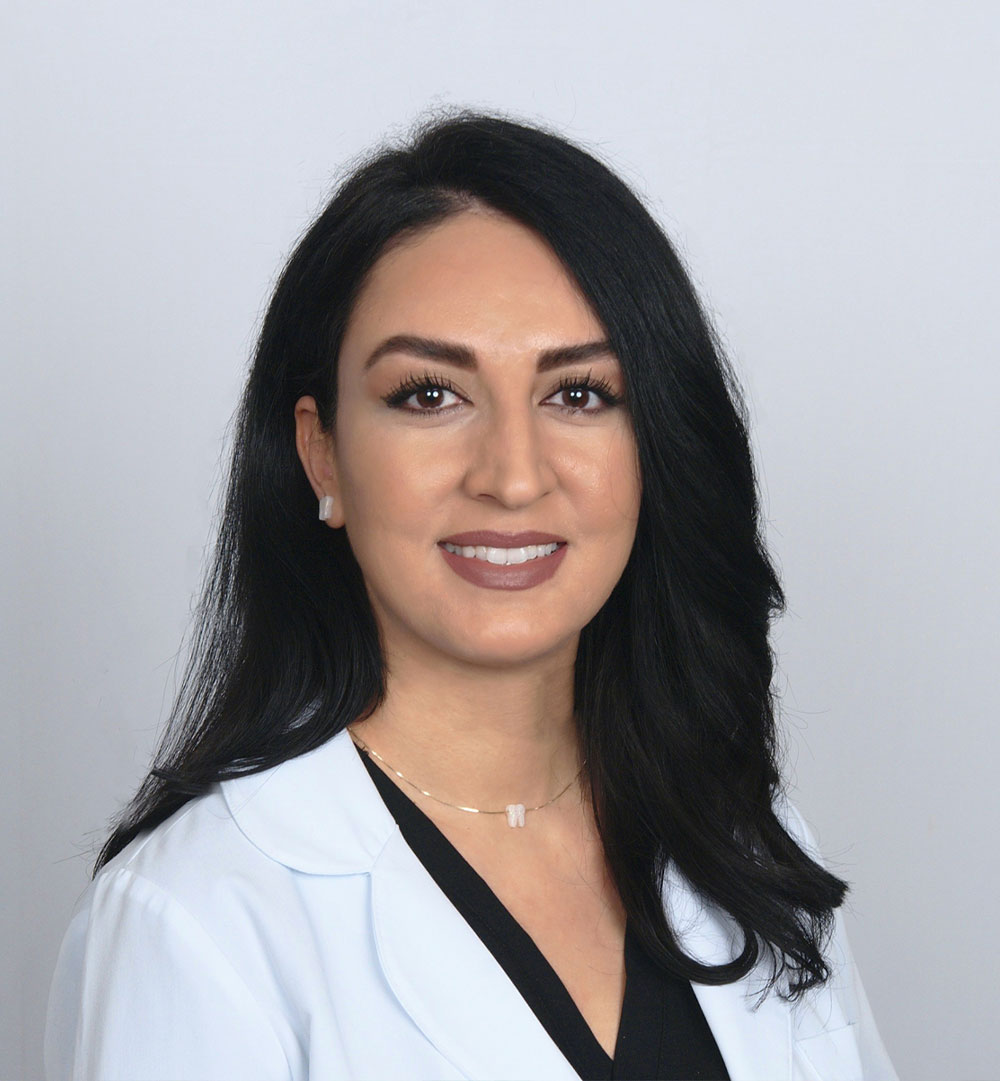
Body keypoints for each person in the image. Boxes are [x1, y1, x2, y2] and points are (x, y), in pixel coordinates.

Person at [44, 111, 898, 1081]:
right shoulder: (194, 920)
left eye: (578, 394)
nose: (512, 476)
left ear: (653, 444)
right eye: (428, 394)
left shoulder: (745, 841)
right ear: (321, 450)